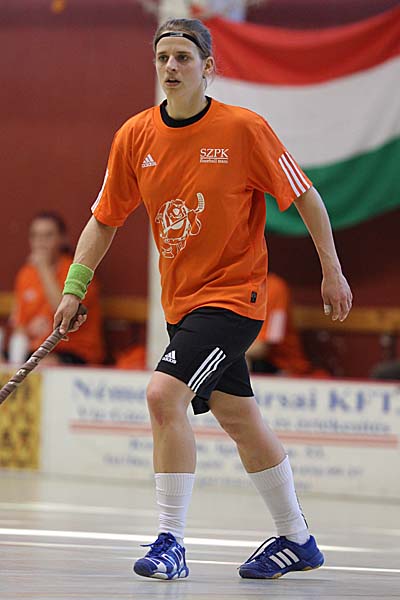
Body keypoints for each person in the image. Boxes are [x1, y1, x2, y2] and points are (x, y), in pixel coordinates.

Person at [53, 18, 352, 581]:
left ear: (208, 67)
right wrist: (74, 285)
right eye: (162, 57)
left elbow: (306, 198)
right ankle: (297, 538)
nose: (171, 67)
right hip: (182, 305)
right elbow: (103, 220)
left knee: (162, 394)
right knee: (239, 417)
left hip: (235, 299)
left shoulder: (244, 129)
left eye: (184, 58)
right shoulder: (135, 136)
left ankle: (171, 542)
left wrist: (331, 271)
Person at [11, 212, 104, 365]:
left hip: (74, 350)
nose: (40, 242)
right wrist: (28, 330)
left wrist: (43, 268)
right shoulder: (26, 274)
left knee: (44, 365)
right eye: (35, 236)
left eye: (48, 236)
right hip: (36, 350)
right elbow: (19, 323)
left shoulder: (77, 270)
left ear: (62, 239)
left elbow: (65, 310)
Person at [246, 272, 323, 376]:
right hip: (251, 361)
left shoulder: (274, 287)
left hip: (282, 368)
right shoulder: (230, 287)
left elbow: (262, 347)